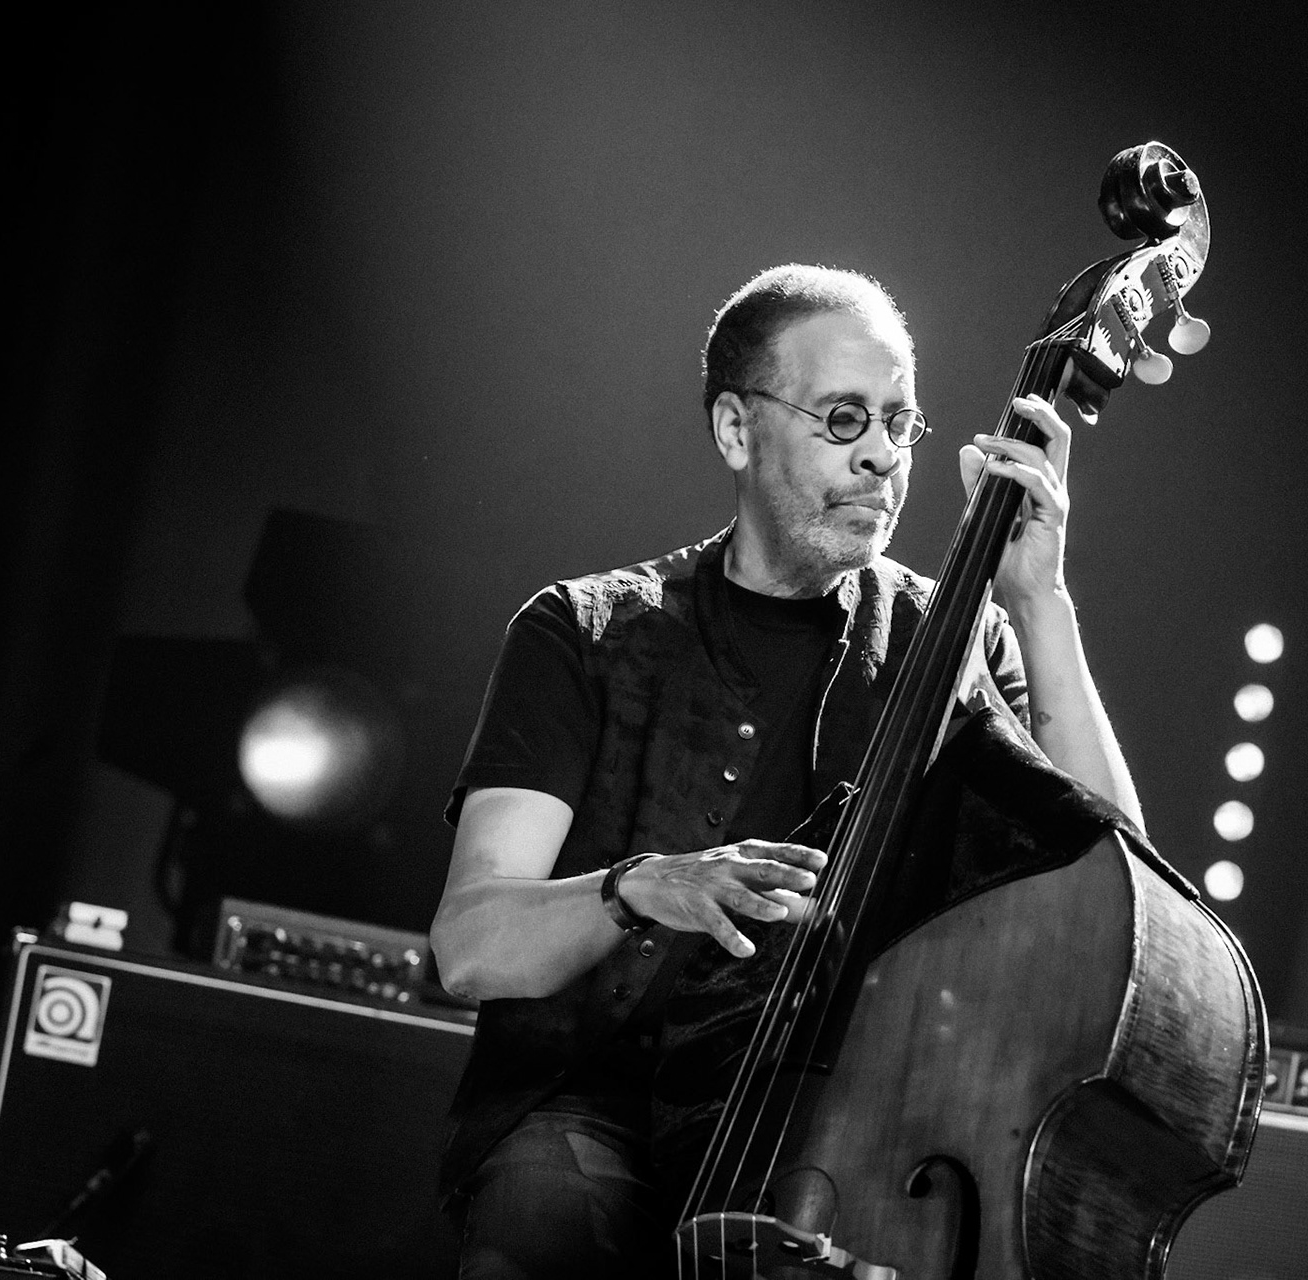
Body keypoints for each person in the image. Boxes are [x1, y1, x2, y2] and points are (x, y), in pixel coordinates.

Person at [429, 264, 1145, 1278]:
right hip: (595, 1107)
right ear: (736, 427)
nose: (883, 461)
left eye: (901, 424)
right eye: (844, 420)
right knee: (551, 1217)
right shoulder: (583, 633)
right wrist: (644, 884)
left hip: (840, 1126)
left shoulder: (957, 643)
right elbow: (471, 943)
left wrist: (1041, 601)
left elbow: (1116, 888)